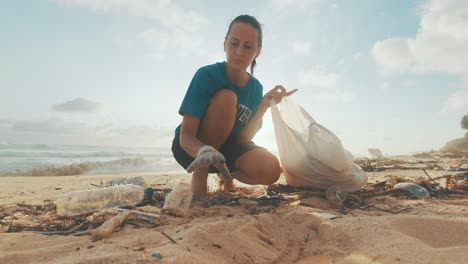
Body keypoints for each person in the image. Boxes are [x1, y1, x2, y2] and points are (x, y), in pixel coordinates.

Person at [171, 14, 297, 198]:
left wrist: (263, 105)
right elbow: (186, 136)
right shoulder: (206, 75)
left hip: (228, 151)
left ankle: (225, 175)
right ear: (225, 44)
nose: (239, 51)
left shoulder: (255, 88)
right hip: (193, 149)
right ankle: (201, 178)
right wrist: (203, 151)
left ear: (257, 52)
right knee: (227, 98)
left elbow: (243, 138)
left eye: (248, 46)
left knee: (271, 169)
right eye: (234, 43)